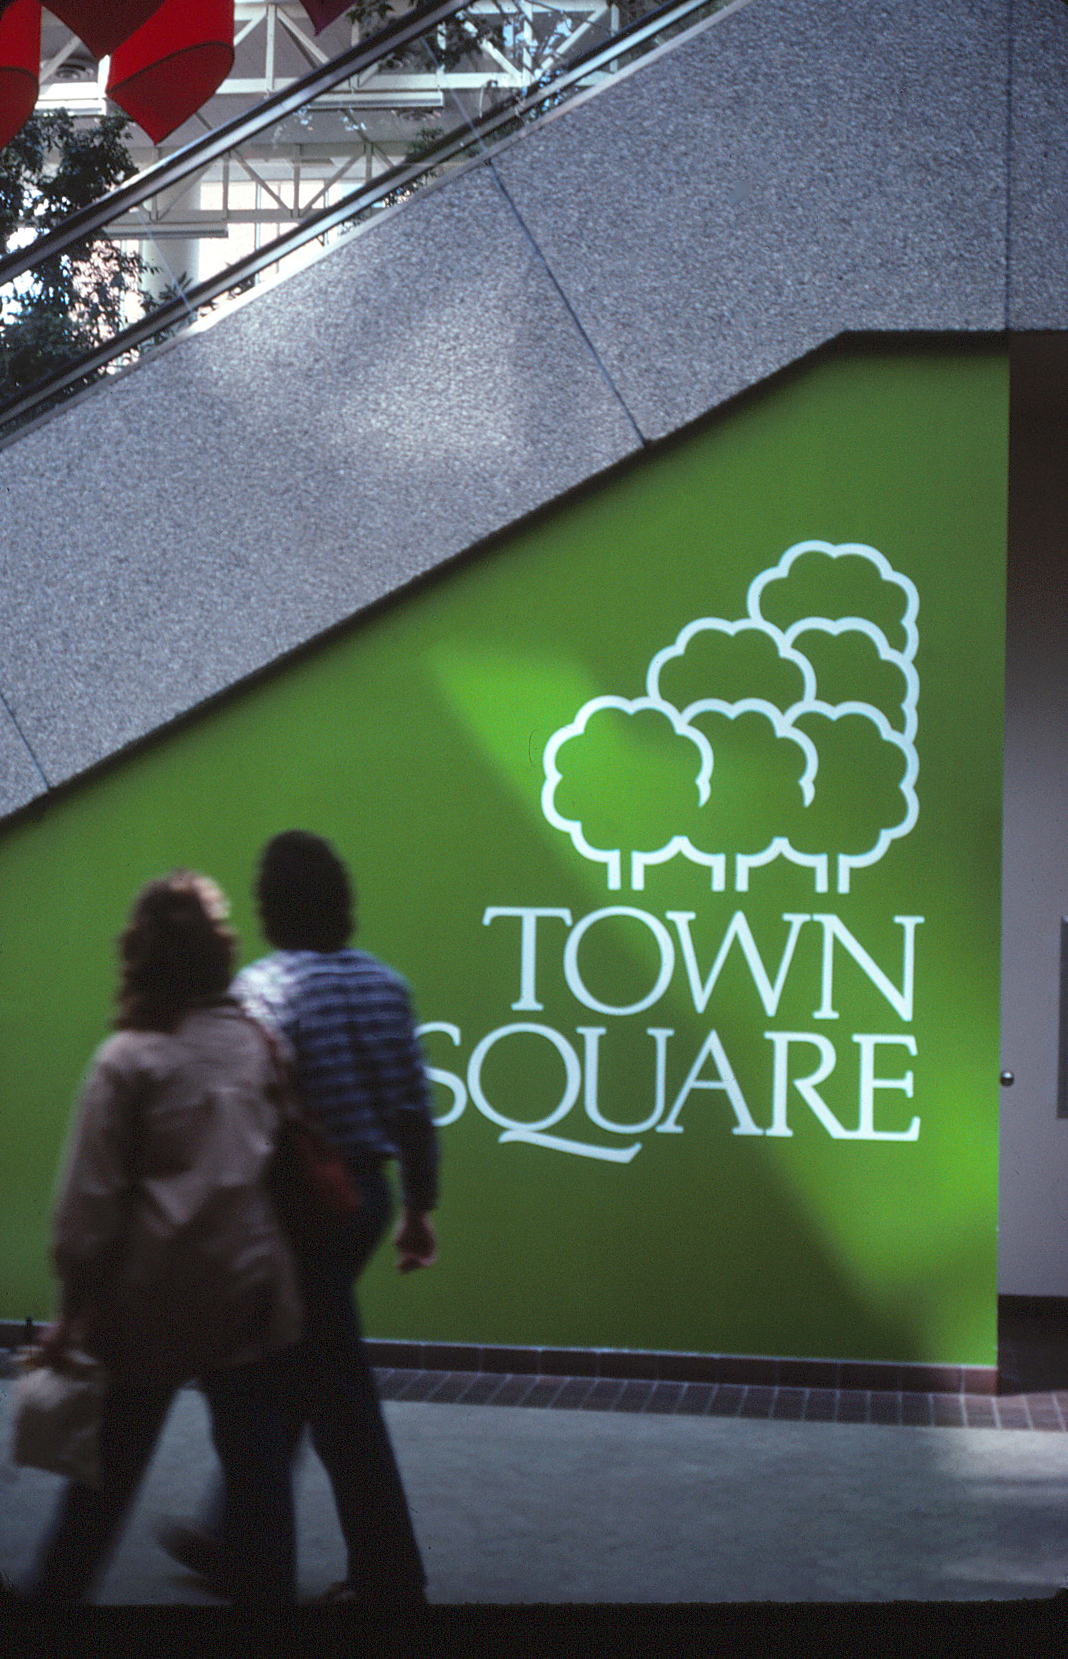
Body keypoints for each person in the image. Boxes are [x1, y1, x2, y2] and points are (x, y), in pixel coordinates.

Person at [159, 831, 439, 1607]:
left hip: (295, 1209)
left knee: (321, 1383)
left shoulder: (263, 988)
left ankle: (380, 1574)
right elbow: (416, 1110)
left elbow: (247, 1117)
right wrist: (418, 1207)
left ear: (269, 910)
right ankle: (233, 1540)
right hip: (366, 1199)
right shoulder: (389, 985)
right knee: (300, 1360)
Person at [21, 873, 304, 1606]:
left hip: (145, 1301)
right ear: (217, 954)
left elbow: (87, 1213)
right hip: (241, 1288)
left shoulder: (127, 1059)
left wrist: (72, 1307)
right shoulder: (253, 1043)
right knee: (257, 1470)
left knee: (106, 1477)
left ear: (139, 956)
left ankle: (53, 1604)